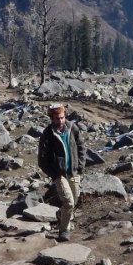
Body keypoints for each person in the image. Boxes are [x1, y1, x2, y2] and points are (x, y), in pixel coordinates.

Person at [37, 103, 86, 241]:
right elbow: (42, 160)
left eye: (62, 117)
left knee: (73, 201)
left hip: (74, 171)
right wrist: (55, 174)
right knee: (69, 203)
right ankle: (63, 230)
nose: (61, 121)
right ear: (52, 118)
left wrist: (80, 165)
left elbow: (81, 147)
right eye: (57, 118)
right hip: (59, 174)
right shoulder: (48, 134)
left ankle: (61, 214)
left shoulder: (73, 128)